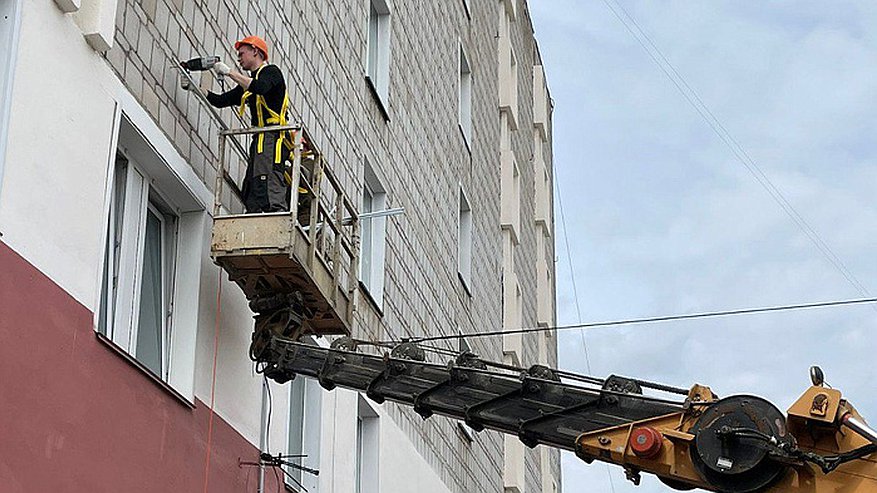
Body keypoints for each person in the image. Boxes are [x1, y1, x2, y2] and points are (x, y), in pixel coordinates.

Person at [207, 36, 292, 213]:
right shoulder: (248, 84)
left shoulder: (271, 72)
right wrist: (196, 88)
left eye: (242, 53)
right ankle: (255, 213)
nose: (239, 58)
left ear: (255, 51)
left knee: (266, 177)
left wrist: (229, 72)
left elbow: (260, 87)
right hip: (261, 138)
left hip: (272, 137)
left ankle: (274, 214)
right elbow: (222, 100)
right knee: (252, 183)